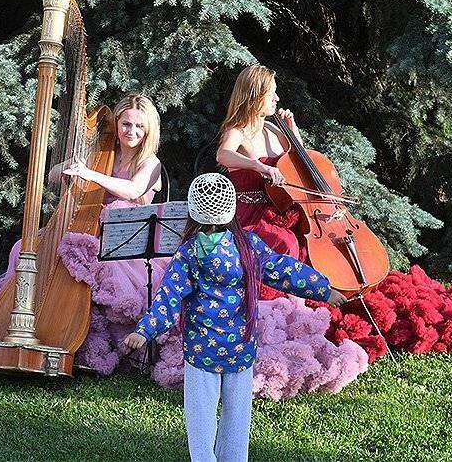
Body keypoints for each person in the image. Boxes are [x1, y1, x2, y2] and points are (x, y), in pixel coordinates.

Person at [123, 173, 346, 462]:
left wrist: (144, 330)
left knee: (201, 416)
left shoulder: (189, 252)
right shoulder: (247, 245)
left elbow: (170, 295)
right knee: (238, 416)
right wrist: (323, 289)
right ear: (231, 209)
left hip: (202, 347)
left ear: (193, 211)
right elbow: (284, 269)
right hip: (239, 344)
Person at [0, 94, 168, 374]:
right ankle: (30, 322)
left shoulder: (150, 163)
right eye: (126, 124)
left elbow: (133, 190)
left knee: (91, 263)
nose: (131, 131)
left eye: (139, 126)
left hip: (122, 244)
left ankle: (85, 339)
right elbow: (51, 176)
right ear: (117, 123)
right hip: (88, 232)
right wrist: (67, 168)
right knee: (25, 248)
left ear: (149, 130)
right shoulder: (102, 151)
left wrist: (90, 175)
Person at [215, 64, 304, 260]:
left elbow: (300, 160)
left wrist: (293, 130)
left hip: (278, 209)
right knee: (285, 243)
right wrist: (257, 165)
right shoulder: (237, 131)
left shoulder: (272, 129)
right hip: (250, 216)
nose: (277, 98)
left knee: (305, 241)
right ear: (254, 95)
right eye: (271, 93)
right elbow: (222, 155)